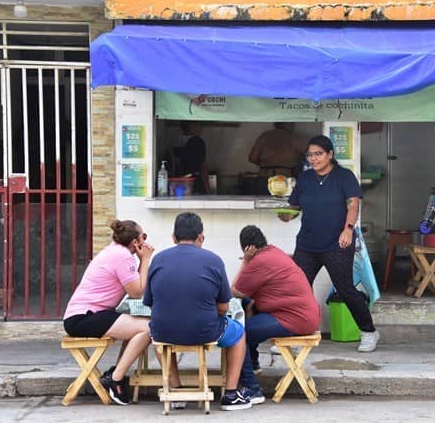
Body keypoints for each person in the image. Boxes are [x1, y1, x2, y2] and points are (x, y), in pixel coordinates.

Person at [143, 212, 260, 411]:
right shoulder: (213, 260)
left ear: (173, 237)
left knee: (159, 335)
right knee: (239, 332)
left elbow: (151, 303)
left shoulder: (158, 260)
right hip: (204, 330)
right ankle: (231, 394)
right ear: (201, 237)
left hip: (164, 331)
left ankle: (175, 389)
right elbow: (224, 307)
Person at [278, 135, 379, 352]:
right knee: (298, 289)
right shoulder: (304, 179)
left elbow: (353, 205)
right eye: (310, 155)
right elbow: (293, 208)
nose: (314, 159)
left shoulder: (344, 177)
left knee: (345, 289)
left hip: (337, 243)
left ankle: (369, 331)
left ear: (330, 154)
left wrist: (348, 229)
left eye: (318, 154)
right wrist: (284, 214)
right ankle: (296, 337)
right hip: (307, 244)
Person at [63, 219, 178, 405]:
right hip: (84, 317)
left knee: (138, 326)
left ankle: (115, 373)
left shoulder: (116, 252)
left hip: (91, 314)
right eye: (144, 237)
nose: (145, 241)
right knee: (149, 328)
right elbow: (137, 292)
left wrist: (142, 261)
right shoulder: (122, 256)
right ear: (135, 242)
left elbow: (137, 288)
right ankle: (115, 379)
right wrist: (146, 259)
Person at [231, 225, 321, 375]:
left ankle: (249, 383)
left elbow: (235, 291)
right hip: (305, 315)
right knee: (249, 309)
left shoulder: (259, 261)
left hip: (294, 319)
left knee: (239, 333)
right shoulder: (274, 252)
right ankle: (252, 365)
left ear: (246, 248)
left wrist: (245, 261)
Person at [248, 122, 308, 194]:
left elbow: (252, 158)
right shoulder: (294, 138)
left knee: (262, 202)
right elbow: (311, 154)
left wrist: (266, 165)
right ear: (287, 124)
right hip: (285, 177)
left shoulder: (264, 136)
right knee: (284, 204)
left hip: (264, 176)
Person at [174, 121, 210, 194]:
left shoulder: (176, 141)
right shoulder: (197, 141)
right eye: (199, 125)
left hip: (180, 182)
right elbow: (203, 167)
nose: (201, 128)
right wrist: (207, 190)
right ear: (191, 126)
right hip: (195, 183)